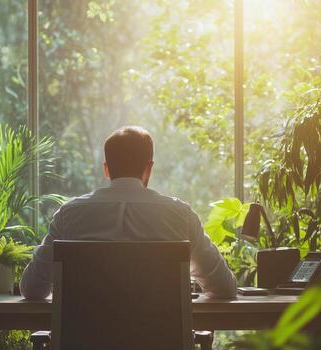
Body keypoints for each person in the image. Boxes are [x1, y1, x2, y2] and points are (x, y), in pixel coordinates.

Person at [20, 126, 237, 299]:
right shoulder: (181, 216)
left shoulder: (69, 215)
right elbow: (225, 288)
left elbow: (32, 289)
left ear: (106, 169)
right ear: (149, 168)